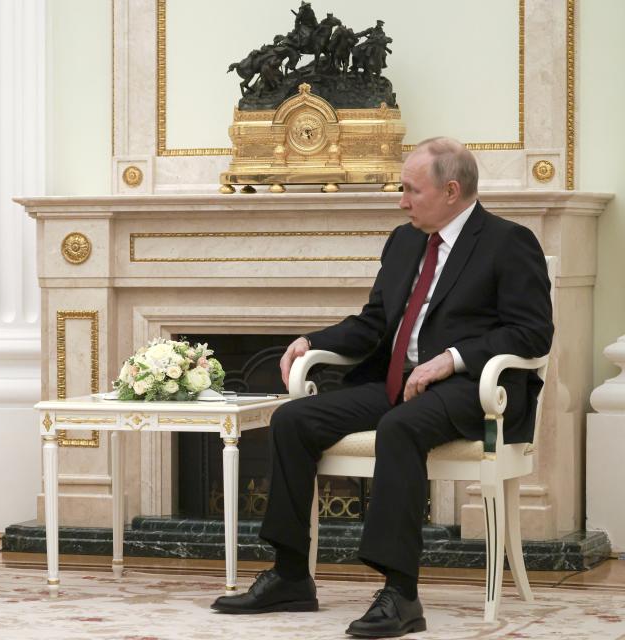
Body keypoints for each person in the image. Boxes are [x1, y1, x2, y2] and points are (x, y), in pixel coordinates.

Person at [211, 137, 553, 638]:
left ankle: (401, 594)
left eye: (411, 190)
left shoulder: (508, 241)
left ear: (452, 190)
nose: (401, 200)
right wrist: (310, 341)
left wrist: (450, 360)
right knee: (292, 419)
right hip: (395, 382)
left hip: (472, 390)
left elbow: (532, 332)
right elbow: (374, 324)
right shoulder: (405, 240)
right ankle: (290, 576)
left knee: (400, 427)